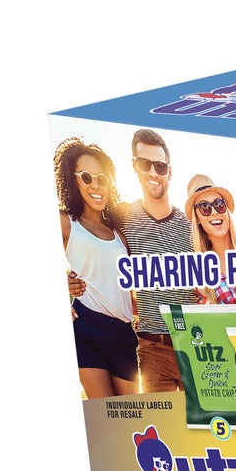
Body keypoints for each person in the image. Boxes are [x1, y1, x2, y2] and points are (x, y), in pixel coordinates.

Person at [55, 137, 138, 398]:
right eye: (86, 177)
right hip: (87, 327)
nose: (96, 185)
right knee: (105, 413)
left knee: (132, 415)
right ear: (72, 180)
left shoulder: (118, 230)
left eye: (102, 178)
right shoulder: (65, 222)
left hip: (123, 332)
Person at [119, 129, 195, 392]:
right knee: (160, 419)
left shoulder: (189, 226)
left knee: (203, 420)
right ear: (135, 166)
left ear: (169, 172)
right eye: (145, 164)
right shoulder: (123, 220)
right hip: (152, 349)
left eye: (160, 166)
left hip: (193, 345)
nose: (153, 172)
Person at [185, 174, 236, 325]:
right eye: (205, 207)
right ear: (197, 219)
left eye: (219, 204)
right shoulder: (199, 273)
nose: (214, 212)